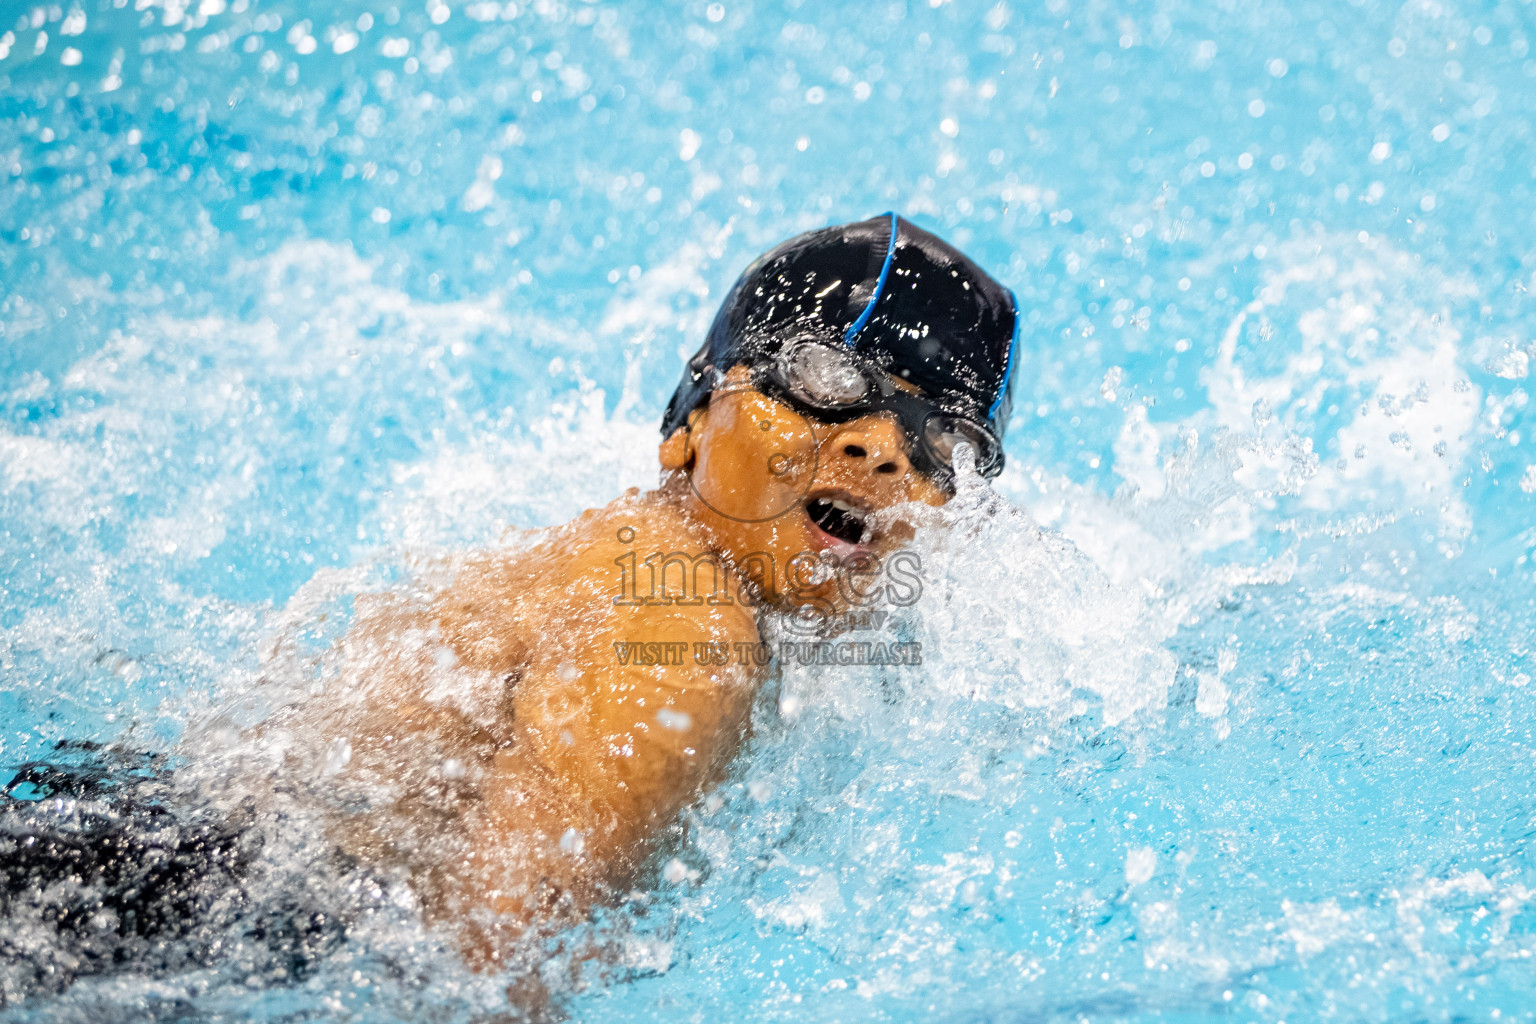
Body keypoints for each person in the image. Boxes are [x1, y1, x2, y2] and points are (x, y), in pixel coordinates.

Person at [2, 213, 1020, 984]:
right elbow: (475, 967)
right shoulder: (682, 631)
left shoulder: (625, 558)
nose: (881, 449)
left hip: (141, 838)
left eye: (943, 439)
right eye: (826, 380)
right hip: (167, 914)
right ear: (691, 420)